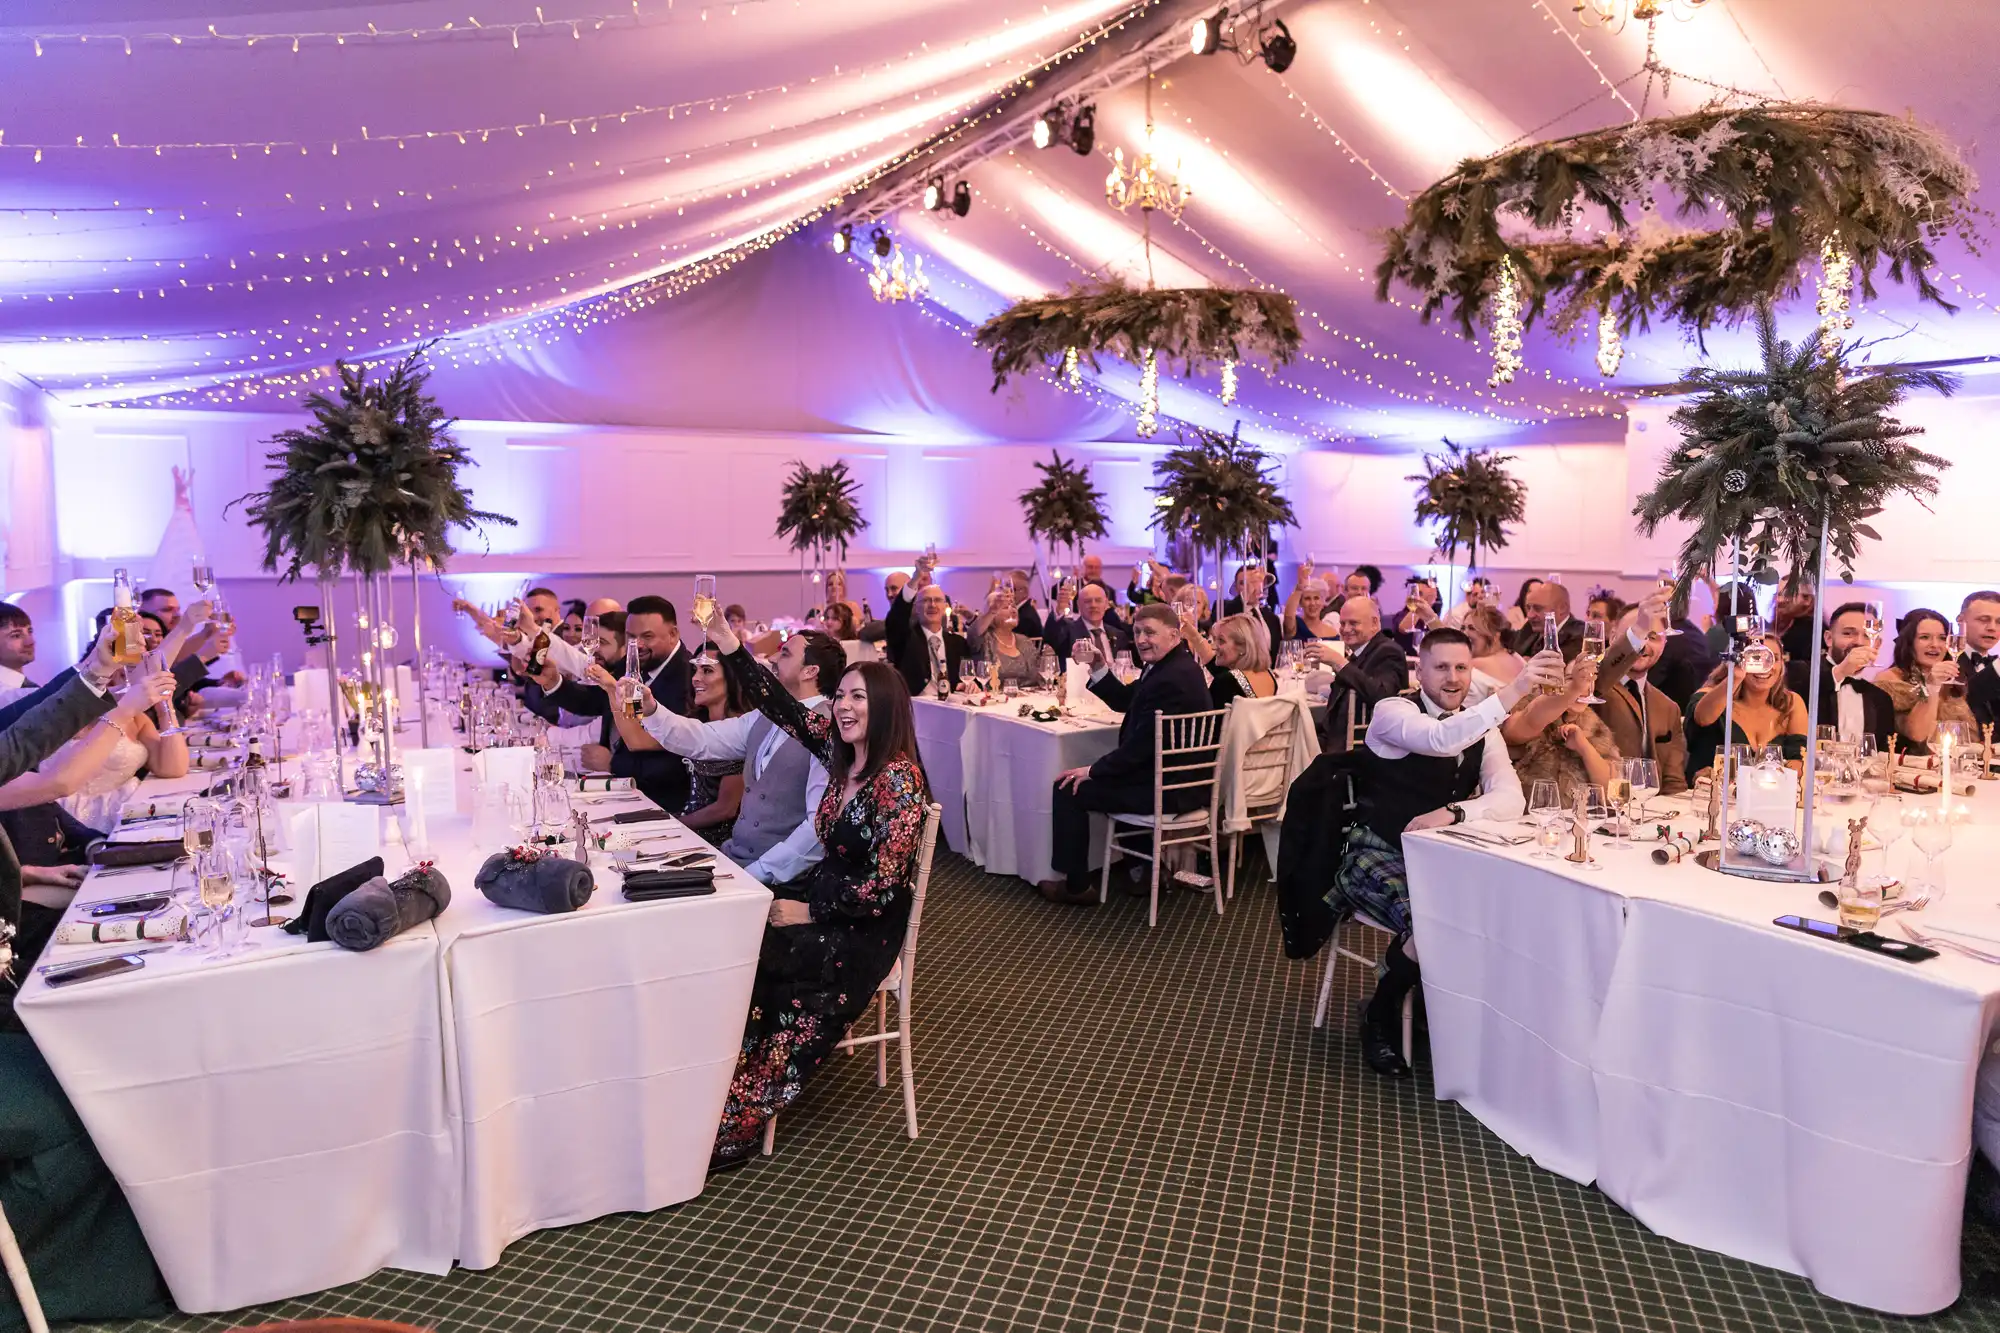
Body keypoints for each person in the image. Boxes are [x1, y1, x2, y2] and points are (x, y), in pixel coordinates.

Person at [693, 607, 931, 1170]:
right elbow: (777, 700)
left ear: (887, 710)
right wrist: (729, 642)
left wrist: (807, 911)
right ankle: (716, 1082)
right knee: (737, 940)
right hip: (822, 902)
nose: (843, 707)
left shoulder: (898, 780)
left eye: (858, 699)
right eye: (840, 695)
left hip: (860, 928)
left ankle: (740, 1112)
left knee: (766, 954)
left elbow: (879, 887)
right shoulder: (839, 752)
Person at [1333, 631, 1562, 1077]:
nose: (1453, 678)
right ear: (1419, 670)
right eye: (1441, 667)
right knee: (1433, 921)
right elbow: (1439, 739)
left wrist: (1455, 811)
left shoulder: (1480, 725)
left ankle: (1437, 1006)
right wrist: (1515, 690)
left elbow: (1510, 798)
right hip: (1377, 849)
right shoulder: (1392, 713)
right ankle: (1378, 1015)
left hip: (1444, 856)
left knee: (1495, 908)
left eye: (1462, 667)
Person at [635, 631, 845, 886]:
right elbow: (703, 739)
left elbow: (816, 829)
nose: (775, 658)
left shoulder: (829, 731)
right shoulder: (763, 716)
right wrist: (651, 710)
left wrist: (757, 874)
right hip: (733, 859)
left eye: (786, 653)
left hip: (786, 881)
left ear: (810, 671)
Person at [1036, 604, 1212, 906]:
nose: (1142, 639)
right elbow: (1126, 702)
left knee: (1067, 788)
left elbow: (1139, 750)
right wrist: (1097, 666)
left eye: (1150, 633)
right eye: (1138, 632)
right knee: (1114, 774)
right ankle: (1142, 871)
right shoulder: (1174, 666)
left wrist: (1092, 770)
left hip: (1167, 791)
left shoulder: (1170, 677)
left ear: (1174, 634)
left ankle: (1077, 887)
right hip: (1181, 783)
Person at [542, 594, 694, 811]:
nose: (638, 645)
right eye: (632, 637)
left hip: (661, 802)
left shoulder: (688, 678)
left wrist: (614, 764)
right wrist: (553, 682)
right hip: (615, 790)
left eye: (647, 636)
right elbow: (595, 701)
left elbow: (677, 758)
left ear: (673, 634)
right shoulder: (635, 661)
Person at [1591, 593, 1689, 794]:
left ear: (1664, 644)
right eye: (1636, 635)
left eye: (1652, 637)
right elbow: (1602, 672)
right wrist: (1637, 632)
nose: (1643, 645)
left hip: (1651, 814)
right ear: (1613, 638)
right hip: (1601, 809)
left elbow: (1674, 783)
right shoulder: (1592, 686)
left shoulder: (1668, 707)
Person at [1687, 633, 1810, 778]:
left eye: (1773, 658)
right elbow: (1703, 718)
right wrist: (1735, 676)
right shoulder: (1710, 695)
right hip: (1708, 795)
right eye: (1755, 658)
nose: (1765, 666)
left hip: (1766, 795)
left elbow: (1799, 761)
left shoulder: (1791, 703)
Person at [1502, 654, 1620, 800]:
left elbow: (1613, 793)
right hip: (1526, 818)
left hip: (1577, 819)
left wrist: (1584, 747)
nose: (1584, 687)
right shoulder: (1526, 710)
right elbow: (1522, 726)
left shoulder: (1596, 728)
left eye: (1589, 680)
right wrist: (1573, 689)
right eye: (1572, 679)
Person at [1786, 601, 1896, 751]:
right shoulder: (1798, 672)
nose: (1858, 642)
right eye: (1848, 633)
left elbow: (1882, 753)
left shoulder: (1881, 699)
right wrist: (1842, 670)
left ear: (1876, 644)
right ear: (1828, 639)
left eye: (1866, 635)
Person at [1308, 595, 1409, 753]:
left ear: (1374, 623)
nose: (1346, 629)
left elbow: (1384, 696)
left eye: (1353, 623)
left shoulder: (1388, 651)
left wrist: (1340, 662)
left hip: (1360, 749)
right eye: (1342, 623)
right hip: (1335, 739)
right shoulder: (1361, 653)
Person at [1874, 609, 1973, 754]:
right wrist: (1932, 685)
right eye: (1925, 637)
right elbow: (1918, 734)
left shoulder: (1954, 681)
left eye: (1942, 638)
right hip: (1909, 769)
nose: (1935, 644)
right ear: (1908, 643)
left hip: (1951, 766)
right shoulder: (1889, 681)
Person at [884, 555, 967, 696]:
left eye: (937, 600)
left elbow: (970, 676)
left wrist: (968, 685)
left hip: (952, 708)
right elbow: (896, 618)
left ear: (946, 607)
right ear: (916, 607)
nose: (932, 605)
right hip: (916, 707)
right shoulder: (905, 638)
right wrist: (916, 577)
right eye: (926, 601)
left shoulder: (958, 642)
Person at [1044, 580, 1133, 668]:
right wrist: (1060, 610)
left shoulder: (1119, 635)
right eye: (1087, 601)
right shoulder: (1068, 631)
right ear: (1079, 605)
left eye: (1098, 600)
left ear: (1106, 605)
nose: (1093, 605)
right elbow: (1051, 639)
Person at [970, 587, 1040, 689]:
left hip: (1026, 700)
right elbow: (974, 631)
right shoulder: (984, 639)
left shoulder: (1024, 641)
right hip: (994, 700)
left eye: (1014, 606)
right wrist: (992, 610)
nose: (1013, 611)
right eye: (1006, 607)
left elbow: (1038, 676)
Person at [1204, 612, 1278, 708]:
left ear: (1242, 648)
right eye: (1215, 640)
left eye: (1221, 641)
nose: (1213, 647)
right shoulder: (1269, 675)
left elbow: (1208, 721)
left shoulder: (1226, 682)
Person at [1959, 590, 2000, 733]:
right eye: (1984, 619)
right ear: (1961, 620)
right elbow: (1963, 698)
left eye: (1999, 622)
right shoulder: (1941, 659)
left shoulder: (1994, 664)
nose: (1992, 627)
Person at [1511, 579, 1583, 658]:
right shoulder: (1530, 627)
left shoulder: (1579, 635)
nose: (1530, 615)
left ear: (1562, 608)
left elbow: (1554, 664)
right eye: (1528, 608)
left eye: (1538, 608)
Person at [1462, 604, 1524, 694]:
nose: (1464, 633)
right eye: (1463, 628)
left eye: (1472, 628)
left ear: (1495, 637)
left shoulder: (1473, 666)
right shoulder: (1516, 657)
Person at [1282, 564, 1338, 641]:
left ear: (1322, 602)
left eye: (1316, 598)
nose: (1312, 603)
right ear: (1301, 603)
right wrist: (1300, 587)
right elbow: (1288, 615)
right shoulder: (1296, 625)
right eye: (1307, 599)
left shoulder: (1333, 632)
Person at [0, 605, 36, 695]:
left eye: (29, 631)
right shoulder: (7, 695)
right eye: (16, 635)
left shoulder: (23, 687)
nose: (30, 642)